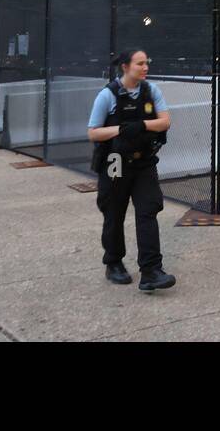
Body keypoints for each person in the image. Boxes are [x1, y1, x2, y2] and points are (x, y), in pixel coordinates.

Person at [87, 49, 176, 291]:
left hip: (144, 162)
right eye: (140, 63)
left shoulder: (151, 91)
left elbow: (165, 121)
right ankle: (113, 262)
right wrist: (121, 130)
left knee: (148, 210)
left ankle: (151, 271)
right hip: (115, 160)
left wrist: (141, 125)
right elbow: (93, 132)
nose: (145, 67)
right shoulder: (108, 95)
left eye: (146, 62)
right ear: (125, 67)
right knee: (114, 211)